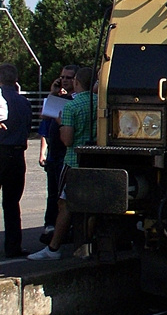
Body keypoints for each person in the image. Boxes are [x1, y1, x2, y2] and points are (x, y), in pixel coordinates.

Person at [29, 66, 96, 261]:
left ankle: (53, 248)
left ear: (76, 82)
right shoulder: (99, 104)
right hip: (95, 160)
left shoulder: (70, 107)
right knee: (91, 205)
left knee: (64, 203)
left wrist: (61, 124)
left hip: (73, 161)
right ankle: (86, 245)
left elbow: (67, 140)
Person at [37, 66, 77, 244]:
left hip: (65, 156)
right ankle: (50, 226)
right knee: (53, 194)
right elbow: (45, 116)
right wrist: (53, 93)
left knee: (63, 197)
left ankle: (64, 230)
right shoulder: (60, 99)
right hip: (54, 156)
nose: (65, 80)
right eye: (62, 77)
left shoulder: (74, 101)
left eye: (69, 77)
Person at [0, 63, 33, 258]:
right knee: (12, 203)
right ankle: (13, 246)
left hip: (1, 148)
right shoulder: (24, 102)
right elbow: (28, 127)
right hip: (17, 152)